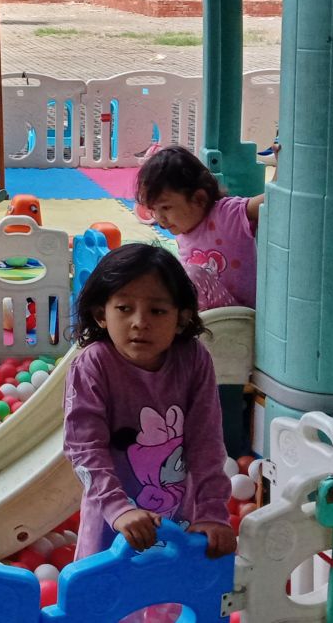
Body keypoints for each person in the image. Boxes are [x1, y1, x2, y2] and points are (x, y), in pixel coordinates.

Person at [63, 244, 236, 593]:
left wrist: (212, 512)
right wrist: (119, 509)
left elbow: (206, 442)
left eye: (157, 310)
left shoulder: (193, 360)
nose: (140, 322)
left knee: (168, 596)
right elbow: (85, 448)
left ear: (181, 318)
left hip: (178, 519)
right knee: (103, 600)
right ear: (101, 315)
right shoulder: (94, 364)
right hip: (111, 519)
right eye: (124, 309)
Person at [135, 146, 262, 310]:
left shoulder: (226, 214)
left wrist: (284, 170)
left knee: (190, 275)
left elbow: (271, 201)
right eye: (153, 209)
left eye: (166, 208)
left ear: (199, 199)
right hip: (211, 317)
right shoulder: (183, 230)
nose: (159, 218)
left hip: (239, 316)